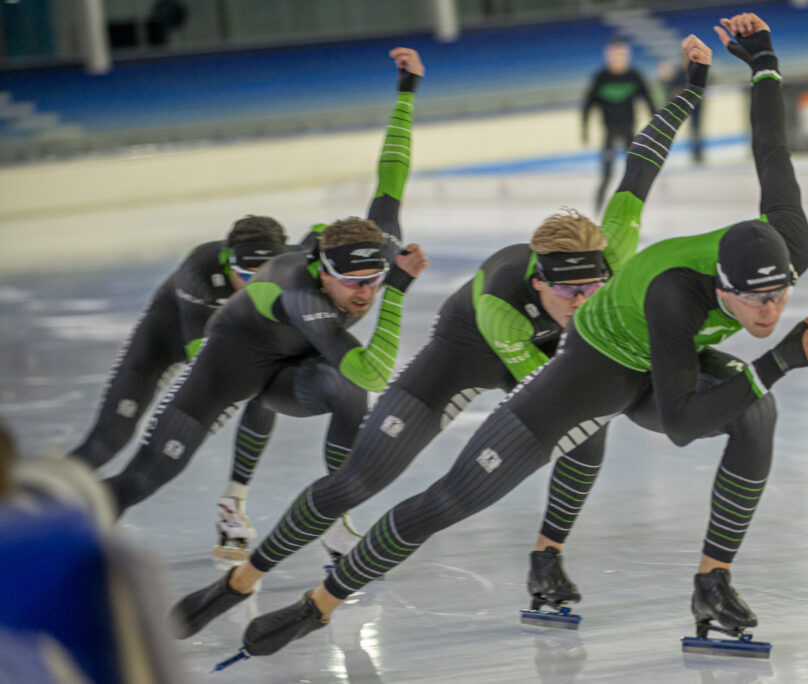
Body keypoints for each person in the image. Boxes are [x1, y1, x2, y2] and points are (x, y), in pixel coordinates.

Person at [226, 15, 808, 657]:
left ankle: (711, 583)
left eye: (780, 296)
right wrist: (779, 359)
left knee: (756, 413)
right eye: (753, 301)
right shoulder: (672, 292)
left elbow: (763, 154)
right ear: (719, 285)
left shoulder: (778, 245)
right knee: (454, 498)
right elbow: (681, 424)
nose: (769, 312)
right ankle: (323, 600)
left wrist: (759, 65)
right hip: (598, 362)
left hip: (657, 356)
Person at [168, 36, 713, 642]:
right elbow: (548, 389)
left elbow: (642, 162)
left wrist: (691, 87)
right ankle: (242, 578)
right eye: (569, 291)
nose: (584, 302)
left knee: (589, 435)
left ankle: (546, 555)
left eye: (595, 289)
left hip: (534, 355)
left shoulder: (614, 247)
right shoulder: (500, 300)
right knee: (358, 481)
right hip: (465, 352)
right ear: (538, 279)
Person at [101, 47, 430, 519]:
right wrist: (395, 292)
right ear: (323, 272)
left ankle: (334, 515)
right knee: (144, 478)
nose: (365, 293)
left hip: (289, 366)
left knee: (347, 391)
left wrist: (407, 92)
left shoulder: (379, 247)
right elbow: (373, 372)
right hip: (227, 368)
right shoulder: (300, 292)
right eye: (351, 283)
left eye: (374, 280)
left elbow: (392, 172)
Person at [68, 216, 290, 471]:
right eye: (245, 274)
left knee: (159, 463)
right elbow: (202, 360)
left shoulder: (291, 269)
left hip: (223, 346)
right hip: (163, 341)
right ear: (228, 260)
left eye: (266, 274)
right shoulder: (200, 268)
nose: (255, 285)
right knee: (108, 440)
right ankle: (41, 489)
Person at [582, 37, 655, 215]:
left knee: (635, 173)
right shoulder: (601, 78)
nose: (619, 58)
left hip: (630, 131)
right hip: (610, 131)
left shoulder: (634, 76)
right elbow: (587, 106)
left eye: (623, 54)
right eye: (615, 54)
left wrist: (656, 129)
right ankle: (597, 213)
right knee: (606, 174)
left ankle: (632, 213)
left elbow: (649, 102)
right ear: (608, 55)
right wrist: (584, 131)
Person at [658, 48, 705, 164]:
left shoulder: (697, 72)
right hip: (681, 107)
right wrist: (665, 81)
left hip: (696, 105)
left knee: (696, 128)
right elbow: (670, 92)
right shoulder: (678, 75)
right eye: (685, 59)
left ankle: (697, 153)